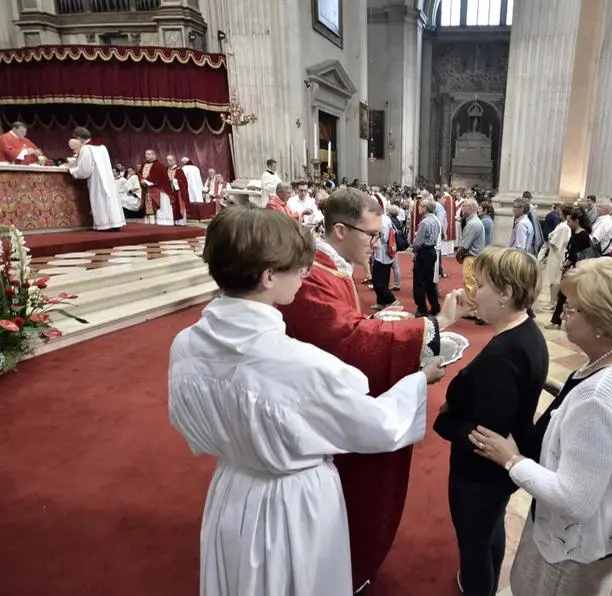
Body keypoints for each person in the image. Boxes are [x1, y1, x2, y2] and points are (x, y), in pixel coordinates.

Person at [169, 207, 446, 596]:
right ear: (267, 276)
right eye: (297, 268)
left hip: (231, 488)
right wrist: (418, 382)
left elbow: (188, 423)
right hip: (293, 504)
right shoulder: (297, 364)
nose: (305, 274)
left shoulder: (185, 344)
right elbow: (377, 424)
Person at [278, 187, 468, 593]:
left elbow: (347, 329)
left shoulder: (334, 267)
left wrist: (381, 318)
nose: (379, 244)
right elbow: (345, 341)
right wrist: (434, 327)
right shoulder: (314, 275)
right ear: (341, 230)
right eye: (372, 235)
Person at [470, 258, 612, 596]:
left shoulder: (598, 399)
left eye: (572, 310)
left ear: (602, 322)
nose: (562, 315)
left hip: (571, 544)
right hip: (611, 525)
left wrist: (512, 460)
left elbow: (573, 500)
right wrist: (563, 393)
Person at [434, 247, 549, 596]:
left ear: (506, 293)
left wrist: (444, 419)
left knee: (474, 545)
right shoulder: (526, 330)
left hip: (479, 475)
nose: (473, 292)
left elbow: (486, 436)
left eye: (481, 285)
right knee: (490, 532)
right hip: (498, 472)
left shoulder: (502, 354)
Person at [66, 127, 126, 232]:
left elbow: (85, 169)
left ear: (79, 138)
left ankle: (105, 225)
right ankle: (115, 223)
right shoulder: (102, 147)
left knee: (100, 199)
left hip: (97, 180)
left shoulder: (86, 148)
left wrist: (72, 170)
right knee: (109, 198)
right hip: (107, 178)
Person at [547, 208, 594, 329]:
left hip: (577, 269)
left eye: (570, 221)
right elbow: (571, 251)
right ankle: (557, 320)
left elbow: (577, 254)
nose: (568, 223)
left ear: (576, 221)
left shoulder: (583, 235)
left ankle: (564, 321)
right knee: (563, 295)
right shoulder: (576, 233)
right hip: (571, 267)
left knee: (570, 296)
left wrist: (566, 263)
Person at [455, 198, 486, 323]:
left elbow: (464, 245)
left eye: (464, 207)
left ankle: (479, 313)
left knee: (471, 285)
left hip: (472, 258)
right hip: (475, 257)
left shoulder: (473, 224)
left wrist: (458, 256)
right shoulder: (474, 221)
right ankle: (473, 311)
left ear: (471, 208)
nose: (462, 209)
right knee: (472, 285)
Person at [412, 196, 443, 317]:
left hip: (424, 252)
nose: (418, 208)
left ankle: (422, 308)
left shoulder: (424, 222)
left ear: (426, 208)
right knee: (430, 282)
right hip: (432, 252)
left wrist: (414, 252)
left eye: (420, 206)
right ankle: (435, 306)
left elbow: (418, 242)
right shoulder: (435, 220)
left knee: (419, 282)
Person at [539, 204, 573, 307]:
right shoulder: (562, 225)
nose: (559, 213)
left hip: (557, 254)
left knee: (555, 279)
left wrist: (550, 239)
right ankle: (552, 301)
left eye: (560, 211)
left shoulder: (563, 227)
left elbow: (554, 242)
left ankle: (553, 302)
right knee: (553, 278)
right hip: (555, 253)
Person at [139, 149, 183, 226]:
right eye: (146, 154)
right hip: (147, 188)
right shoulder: (144, 165)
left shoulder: (159, 165)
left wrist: (146, 181)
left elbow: (156, 176)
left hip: (159, 190)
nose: (146, 156)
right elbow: (139, 174)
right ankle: (150, 222)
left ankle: (163, 222)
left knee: (161, 206)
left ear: (154, 155)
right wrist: (141, 180)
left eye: (149, 154)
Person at [370, 199, 400, 310]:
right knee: (384, 279)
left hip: (382, 252)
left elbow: (382, 236)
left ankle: (392, 300)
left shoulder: (381, 220)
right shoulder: (386, 218)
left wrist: (373, 239)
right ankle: (381, 302)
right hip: (386, 252)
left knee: (378, 280)